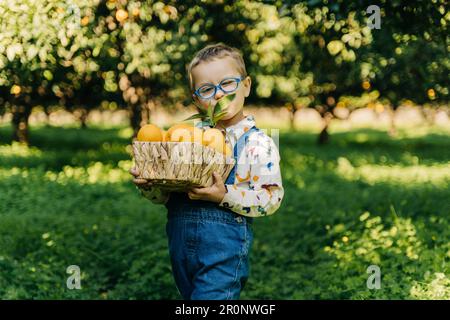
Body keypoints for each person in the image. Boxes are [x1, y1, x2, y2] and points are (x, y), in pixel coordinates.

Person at [130, 43, 284, 300]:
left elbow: (271, 198)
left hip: (223, 249)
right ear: (196, 100)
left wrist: (224, 195)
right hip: (180, 246)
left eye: (228, 84)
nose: (218, 95)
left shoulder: (257, 143)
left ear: (246, 85)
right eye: (207, 89)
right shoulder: (185, 139)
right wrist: (150, 186)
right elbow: (167, 196)